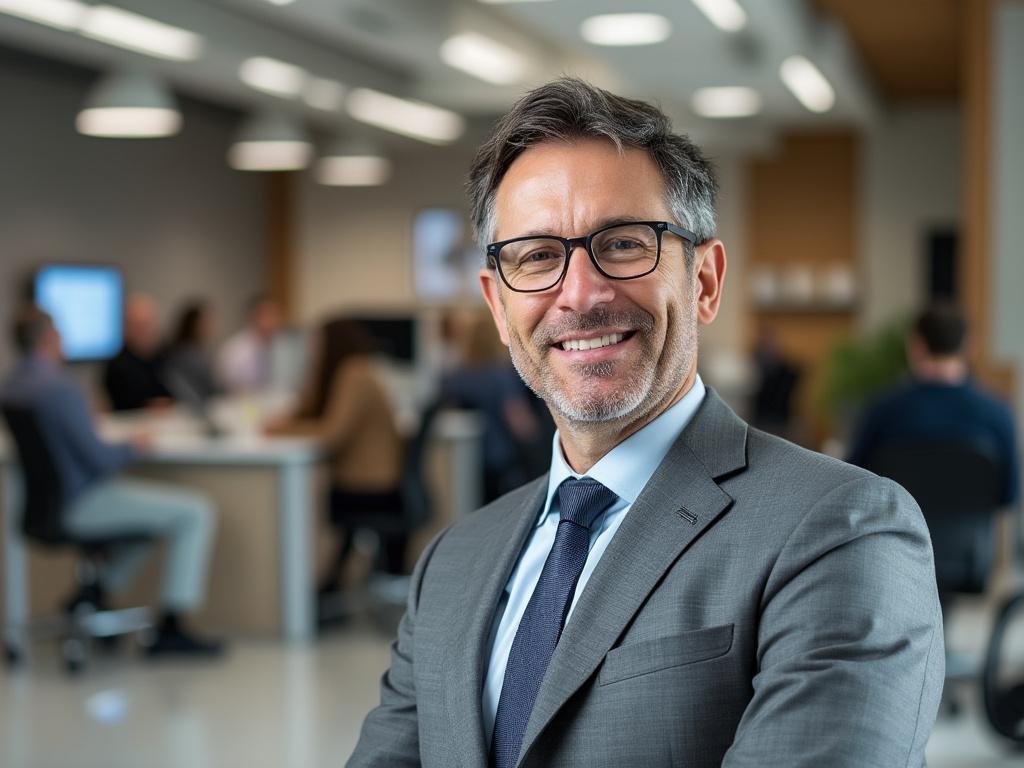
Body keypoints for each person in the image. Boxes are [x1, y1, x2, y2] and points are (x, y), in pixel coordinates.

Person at [348, 78, 943, 767]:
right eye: (538, 256)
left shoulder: (842, 530)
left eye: (624, 243)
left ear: (705, 281)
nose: (579, 293)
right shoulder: (452, 563)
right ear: (498, 307)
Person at [1, 306, 224, 657]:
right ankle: (172, 626)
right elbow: (99, 459)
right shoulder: (59, 387)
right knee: (194, 510)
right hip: (81, 502)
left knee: (148, 520)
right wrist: (135, 444)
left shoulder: (13, 386)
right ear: (50, 338)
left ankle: (91, 597)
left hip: (41, 509)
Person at [265, 317, 405, 593]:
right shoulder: (356, 370)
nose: (312, 349)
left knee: (315, 508)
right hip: (375, 483)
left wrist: (278, 431)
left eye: (317, 343)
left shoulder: (355, 374)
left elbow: (331, 433)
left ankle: (327, 587)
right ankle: (331, 586)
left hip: (368, 487)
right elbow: (313, 411)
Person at [848, 303, 1019, 506]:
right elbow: (1009, 494)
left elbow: (856, 481)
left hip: (899, 534)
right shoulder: (998, 413)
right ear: (968, 346)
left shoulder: (883, 411)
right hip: (971, 536)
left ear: (917, 345)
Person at [103, 293, 173, 411]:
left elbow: (172, 393)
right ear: (127, 327)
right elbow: (122, 403)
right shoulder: (117, 364)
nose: (144, 331)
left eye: (148, 325)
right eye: (138, 326)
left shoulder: (164, 358)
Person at [163, 299, 222, 403]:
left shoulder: (196, 351)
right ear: (193, 325)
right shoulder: (186, 354)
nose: (211, 326)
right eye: (206, 322)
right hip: (195, 409)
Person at [218, 295, 280, 394]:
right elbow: (228, 387)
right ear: (254, 316)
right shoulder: (234, 349)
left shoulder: (280, 345)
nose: (274, 320)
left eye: (275, 315)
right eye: (268, 315)